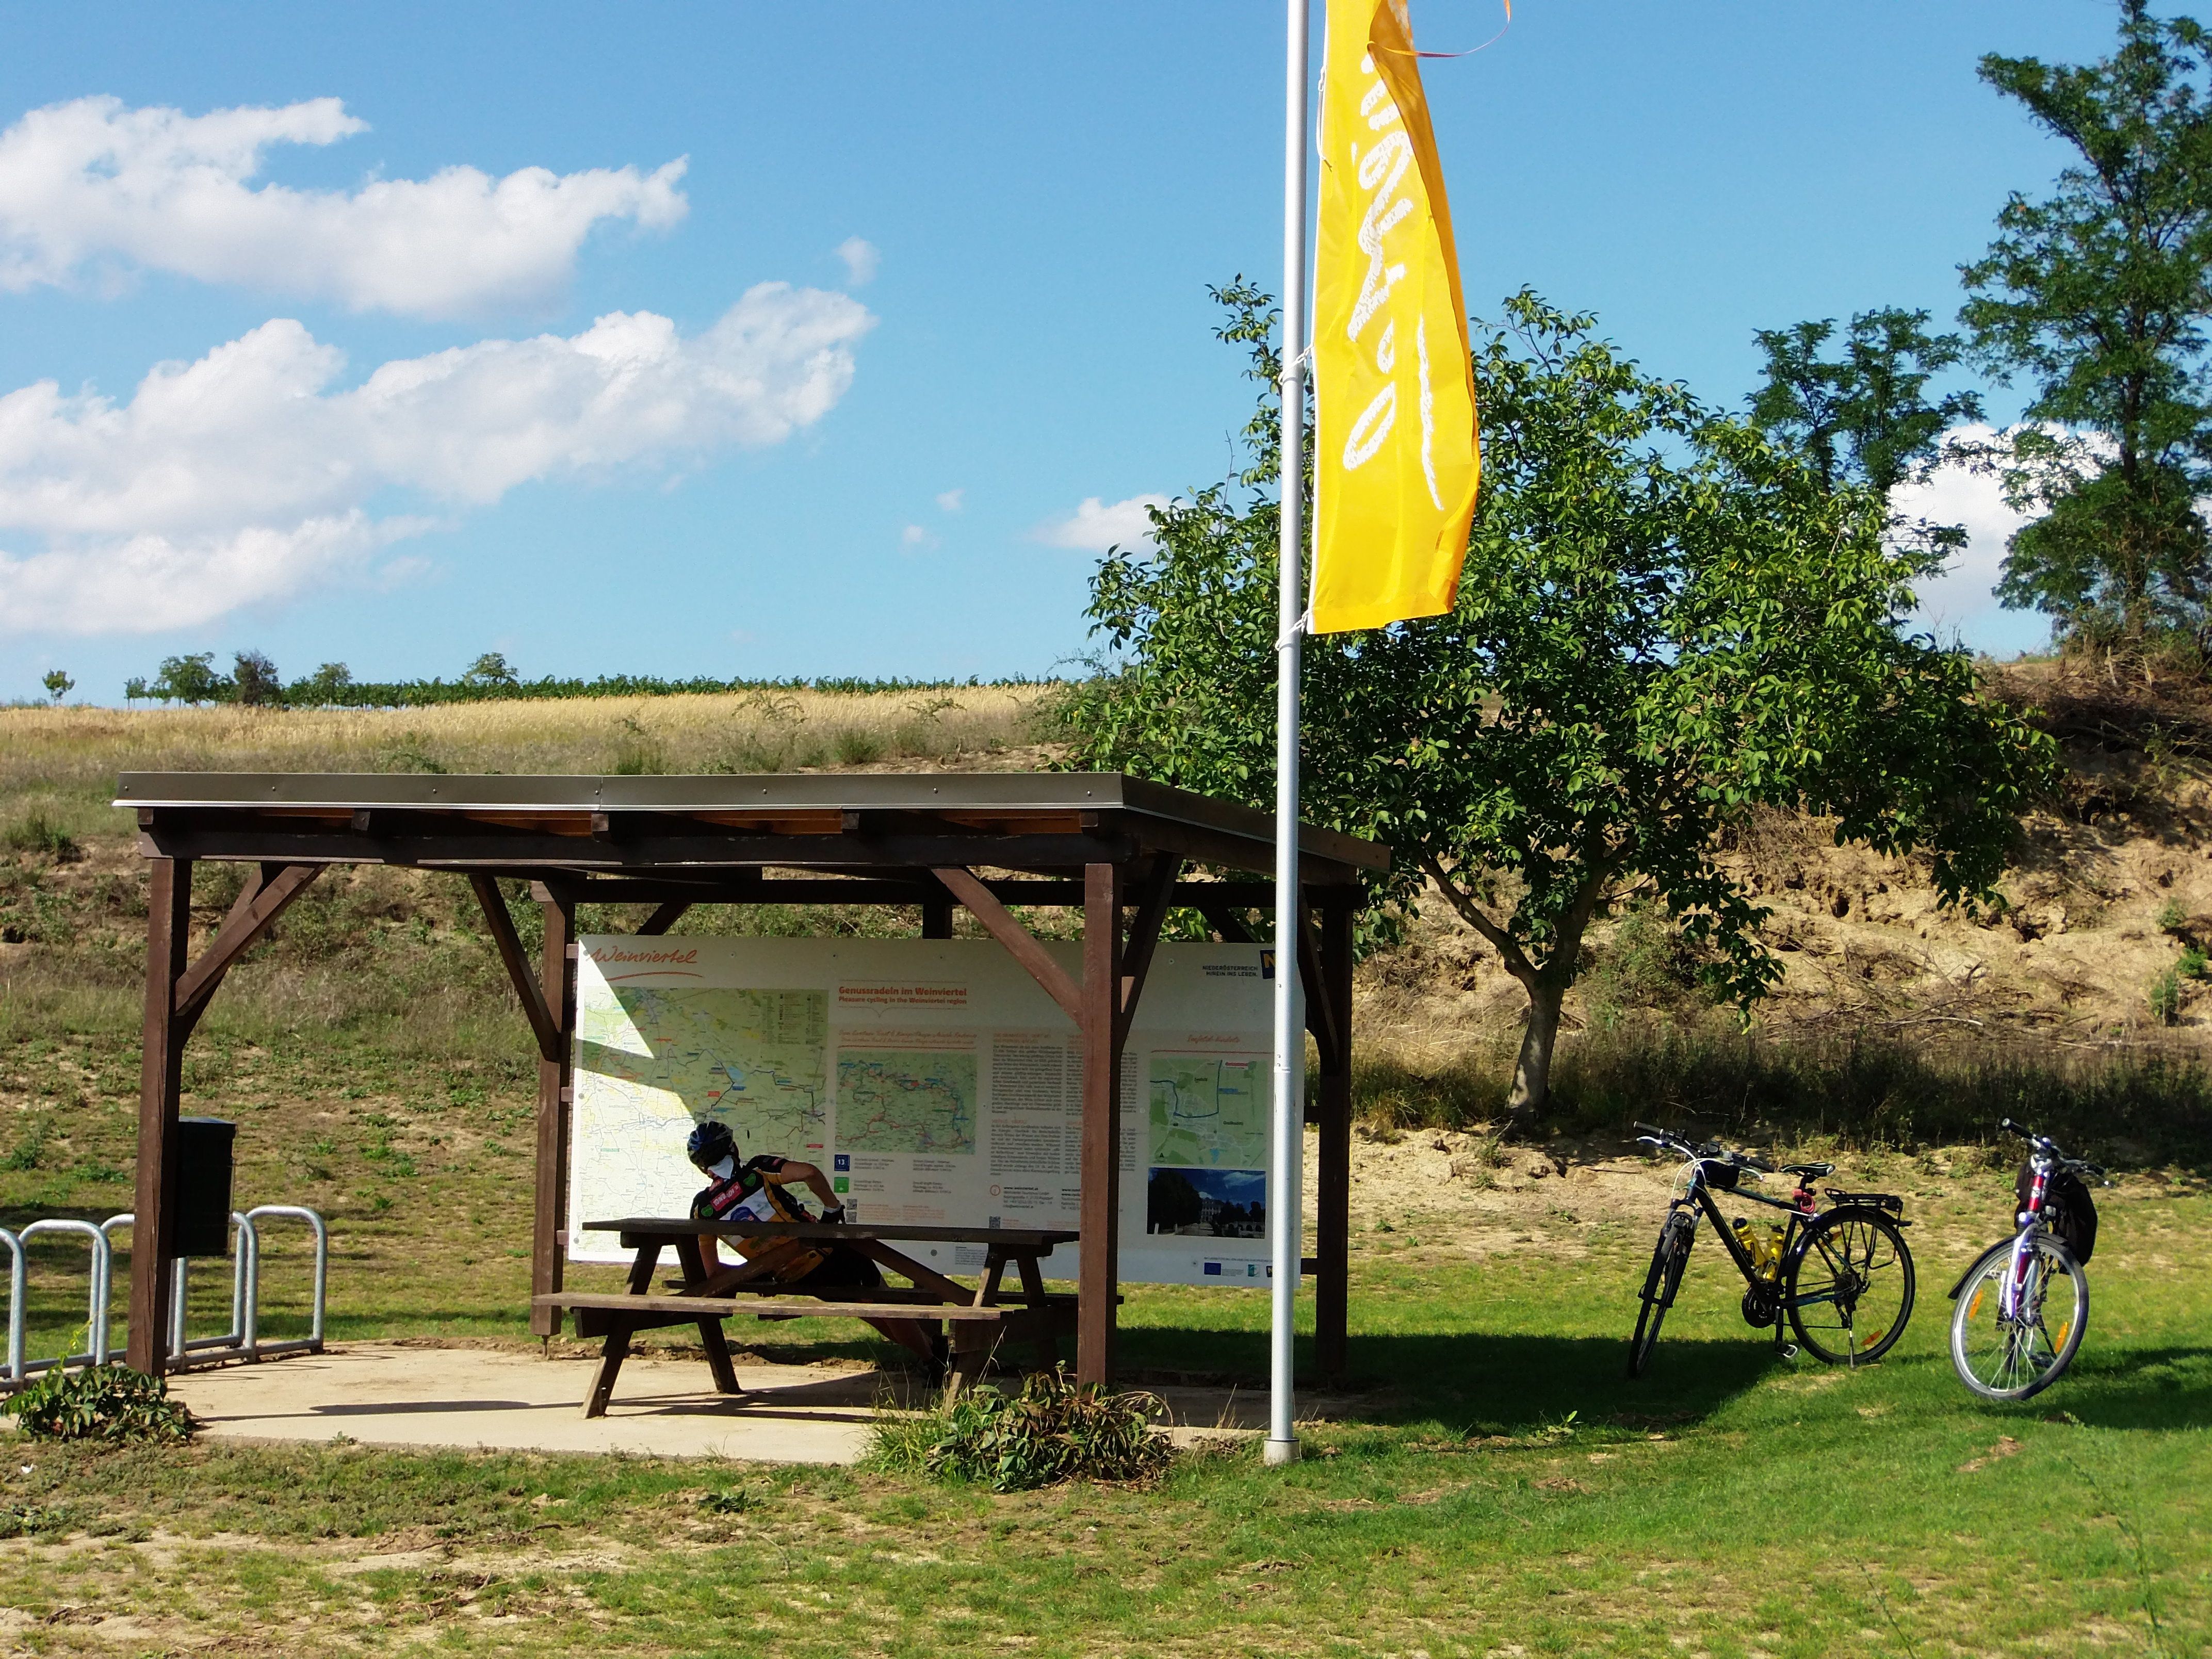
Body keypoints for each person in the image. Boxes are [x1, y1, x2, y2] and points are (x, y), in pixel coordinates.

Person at [683, 1119, 942, 1369]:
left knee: (867, 1309)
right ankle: (934, 1359)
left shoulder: (702, 1209)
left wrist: (758, 1271)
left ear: (703, 1168)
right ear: (733, 1149)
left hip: (796, 1277)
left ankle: (929, 1350)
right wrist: (832, 1208)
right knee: (884, 1304)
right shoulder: (758, 1170)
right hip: (826, 1253)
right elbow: (809, 1172)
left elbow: (712, 1272)